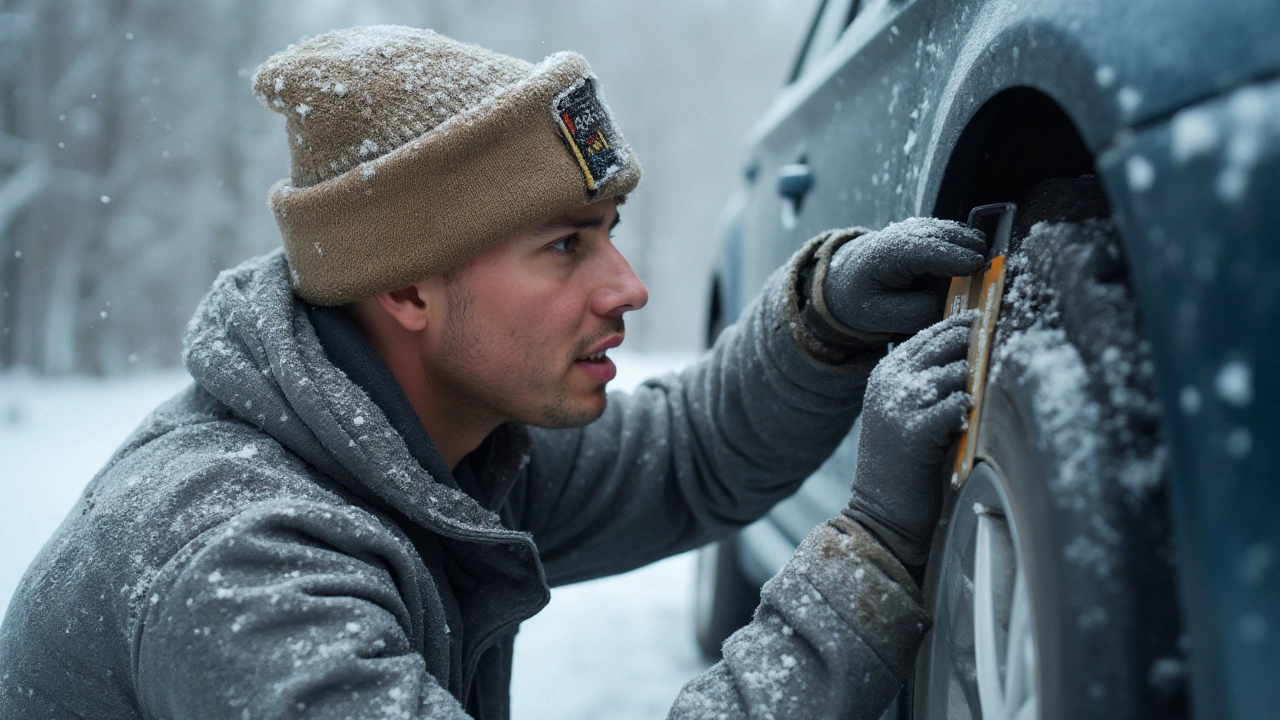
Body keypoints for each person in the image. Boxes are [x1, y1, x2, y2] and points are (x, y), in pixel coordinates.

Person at [0, 26, 987, 720]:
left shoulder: (432, 445)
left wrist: (818, 321)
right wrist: (872, 555)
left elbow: (688, 458)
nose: (628, 288)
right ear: (406, 291)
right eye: (564, 245)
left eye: (609, 234)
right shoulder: (246, 569)